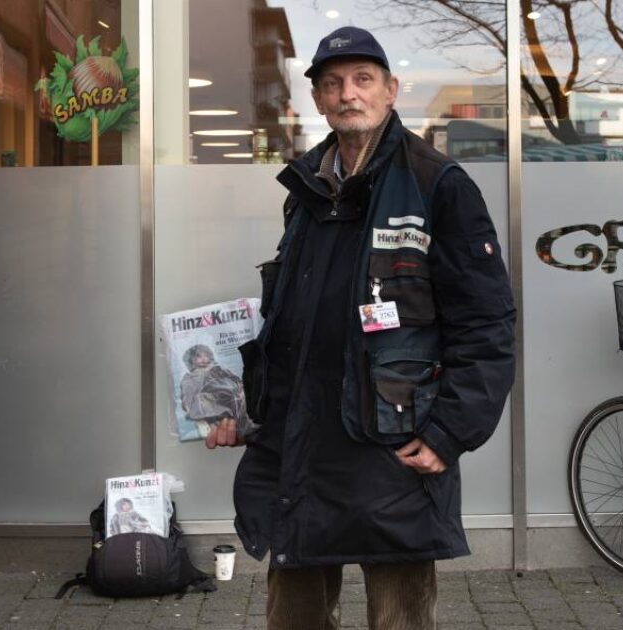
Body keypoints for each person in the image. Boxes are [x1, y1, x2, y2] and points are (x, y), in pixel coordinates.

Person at [204, 26, 515, 630]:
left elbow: (487, 323)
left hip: (391, 454)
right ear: (317, 99)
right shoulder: (305, 193)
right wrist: (246, 409)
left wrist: (451, 431)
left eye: (363, 80)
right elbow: (289, 325)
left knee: (398, 618)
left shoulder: (437, 185)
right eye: (333, 83)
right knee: (293, 617)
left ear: (391, 90)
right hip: (301, 450)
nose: (349, 93)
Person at [179, 344, 245, 438]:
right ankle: (212, 425)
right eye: (199, 356)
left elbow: (235, 379)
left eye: (206, 355)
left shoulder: (218, 369)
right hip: (206, 403)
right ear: (191, 359)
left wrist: (241, 388)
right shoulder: (188, 378)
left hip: (225, 397)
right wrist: (186, 401)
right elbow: (187, 394)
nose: (203, 358)